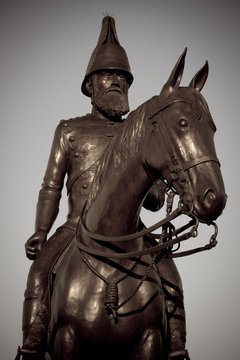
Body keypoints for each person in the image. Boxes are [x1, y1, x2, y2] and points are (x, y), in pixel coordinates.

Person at [18, 16, 187, 360]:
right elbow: (51, 187)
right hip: (75, 226)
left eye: (123, 78)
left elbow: (152, 201)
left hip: (132, 234)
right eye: (109, 76)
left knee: (170, 278)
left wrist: (160, 189)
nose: (117, 83)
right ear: (90, 86)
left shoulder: (139, 134)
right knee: (38, 274)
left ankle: (177, 347)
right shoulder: (69, 130)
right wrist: (40, 230)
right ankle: (32, 346)